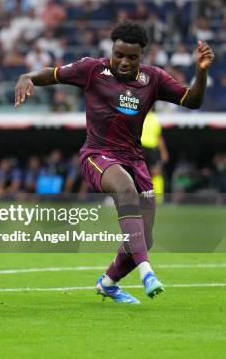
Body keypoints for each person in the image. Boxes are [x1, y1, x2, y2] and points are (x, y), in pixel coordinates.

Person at [14, 22, 214, 304]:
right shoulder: (92, 69)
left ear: (142, 55)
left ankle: (108, 283)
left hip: (135, 161)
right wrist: (28, 76)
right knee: (125, 189)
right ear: (112, 50)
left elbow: (191, 100)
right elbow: (54, 74)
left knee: (144, 238)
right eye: (118, 54)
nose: (124, 62)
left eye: (132, 57)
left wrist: (202, 71)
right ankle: (147, 273)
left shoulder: (153, 78)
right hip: (97, 155)